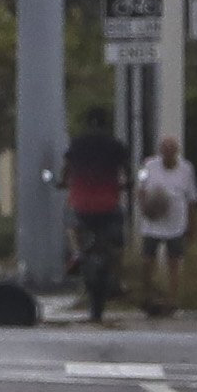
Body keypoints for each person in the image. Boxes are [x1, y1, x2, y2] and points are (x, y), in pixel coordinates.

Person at [61, 107, 132, 320]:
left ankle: (76, 253)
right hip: (108, 203)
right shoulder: (115, 145)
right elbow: (126, 170)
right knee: (118, 243)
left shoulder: (77, 143)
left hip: (82, 203)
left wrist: (63, 182)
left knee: (70, 223)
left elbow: (66, 168)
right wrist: (127, 183)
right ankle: (118, 279)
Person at [132, 134, 195, 319]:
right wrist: (144, 207)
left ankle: (171, 300)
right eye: (164, 149)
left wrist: (192, 226)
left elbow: (191, 198)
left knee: (174, 262)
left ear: (176, 152)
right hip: (153, 224)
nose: (167, 153)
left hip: (176, 223)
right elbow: (141, 188)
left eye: (171, 149)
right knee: (147, 261)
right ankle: (147, 296)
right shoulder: (149, 165)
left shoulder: (186, 168)